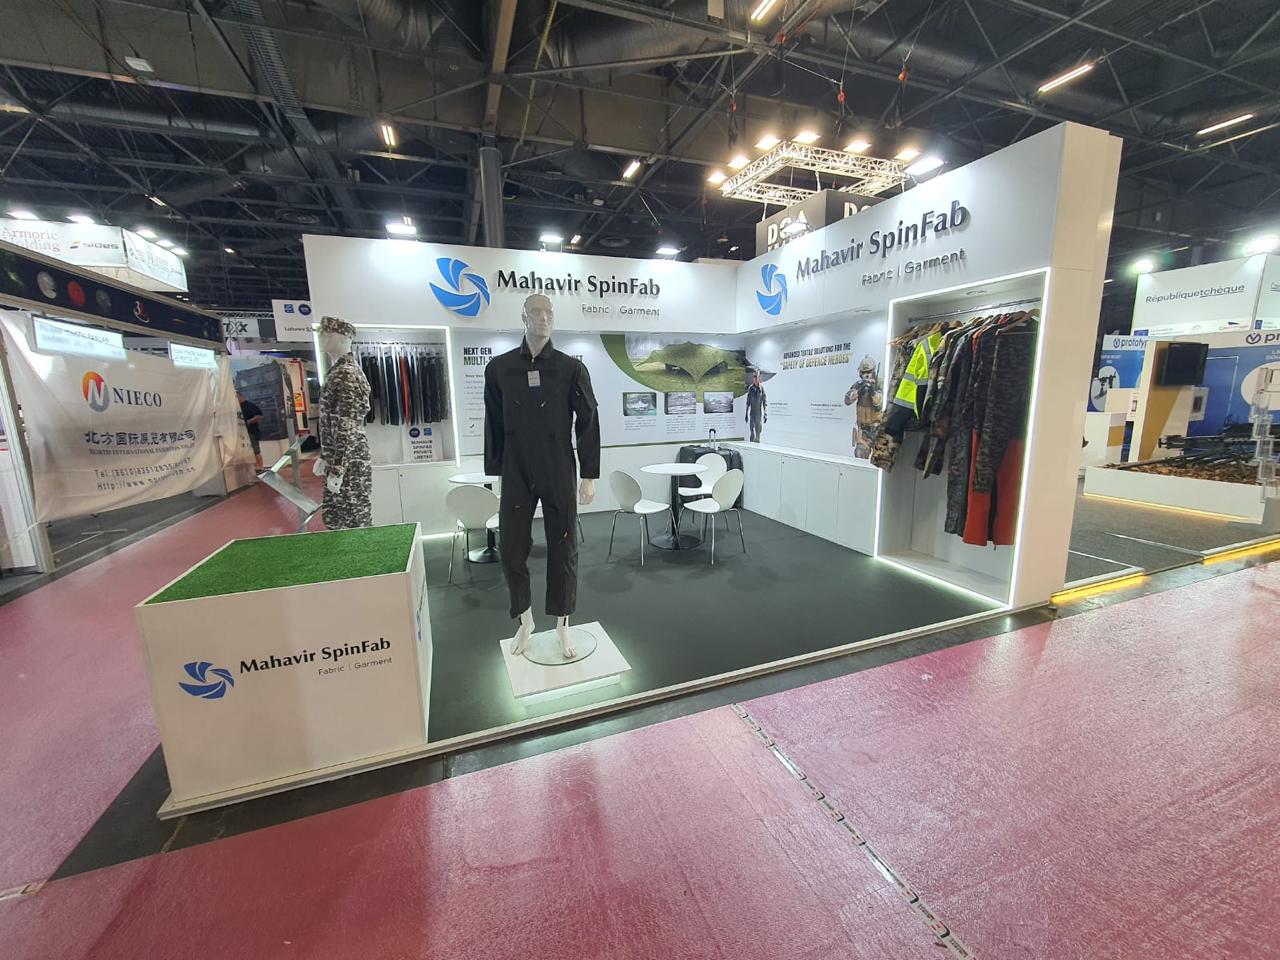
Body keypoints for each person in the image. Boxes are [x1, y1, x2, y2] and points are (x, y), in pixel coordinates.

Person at [237, 390, 264, 470]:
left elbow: (260, 416)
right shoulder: (237, 408)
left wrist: (248, 421)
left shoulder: (250, 405)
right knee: (249, 452)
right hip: (243, 433)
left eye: (236, 397)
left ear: (241, 396)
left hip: (252, 432)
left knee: (256, 451)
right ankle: (255, 468)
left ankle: (260, 467)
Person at [745, 369, 767, 442]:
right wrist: (746, 414)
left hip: (759, 414)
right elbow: (748, 402)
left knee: (758, 434)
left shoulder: (761, 389)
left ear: (759, 377)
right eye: (754, 376)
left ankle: (757, 443)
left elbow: (764, 402)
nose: (754, 378)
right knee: (752, 432)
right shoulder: (751, 388)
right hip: (752, 414)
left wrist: (765, 413)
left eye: (756, 376)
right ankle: (751, 443)